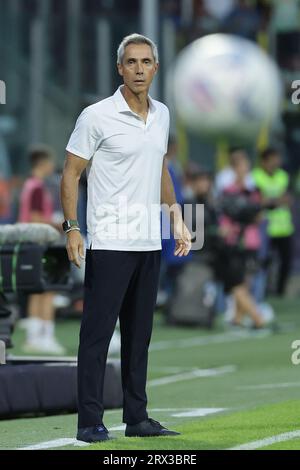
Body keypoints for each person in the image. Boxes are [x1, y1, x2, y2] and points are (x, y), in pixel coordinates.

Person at [61, 33, 191, 443]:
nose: (138, 69)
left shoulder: (163, 114)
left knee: (139, 339)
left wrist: (177, 218)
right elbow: (70, 173)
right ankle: (89, 422)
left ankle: (137, 418)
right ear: (120, 68)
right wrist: (72, 228)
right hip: (110, 242)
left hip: (148, 243)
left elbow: (161, 169)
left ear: (155, 67)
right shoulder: (96, 115)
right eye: (131, 62)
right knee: (97, 336)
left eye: (146, 62)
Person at [18, 146, 65, 354]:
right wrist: (57, 224)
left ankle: (34, 337)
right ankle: (46, 335)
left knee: (37, 290)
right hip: (39, 241)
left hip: (29, 241)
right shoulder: (37, 187)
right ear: (42, 163)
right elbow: (36, 217)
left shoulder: (28, 185)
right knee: (48, 289)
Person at [215, 152, 265, 328]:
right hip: (234, 240)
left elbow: (258, 215)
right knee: (237, 280)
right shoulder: (228, 191)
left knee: (246, 280)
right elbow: (223, 216)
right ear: (234, 168)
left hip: (251, 239)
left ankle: (237, 317)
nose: (244, 169)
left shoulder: (253, 191)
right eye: (240, 166)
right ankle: (257, 317)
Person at [252, 148, 294, 296]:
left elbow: (288, 199)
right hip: (265, 227)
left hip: (284, 227)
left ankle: (280, 291)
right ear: (264, 161)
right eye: (272, 160)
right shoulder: (256, 176)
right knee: (263, 262)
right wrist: (276, 201)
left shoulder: (283, 176)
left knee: (286, 261)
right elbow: (259, 201)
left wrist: (270, 201)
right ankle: (262, 292)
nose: (275, 163)